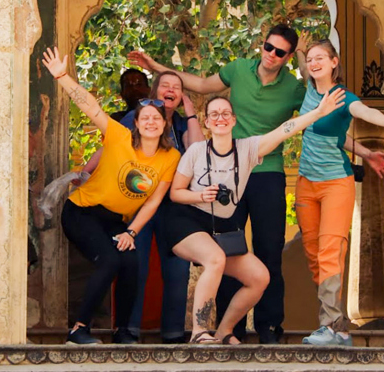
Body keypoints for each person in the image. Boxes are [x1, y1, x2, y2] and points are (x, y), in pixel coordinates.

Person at [128, 25, 384, 344]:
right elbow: (198, 83)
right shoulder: (239, 69)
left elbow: (322, 124)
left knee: (269, 251)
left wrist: (365, 153)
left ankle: (269, 327)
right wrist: (157, 67)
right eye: (268, 47)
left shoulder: (295, 90)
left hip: (268, 172)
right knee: (225, 248)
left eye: (280, 52)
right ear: (262, 44)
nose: (271, 54)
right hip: (229, 172)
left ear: (289, 56)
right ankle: (229, 330)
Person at [165, 90, 346, 344]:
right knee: (215, 258)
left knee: (259, 277)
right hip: (186, 221)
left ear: (234, 120)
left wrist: (318, 112)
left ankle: (223, 332)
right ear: (206, 122)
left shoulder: (247, 149)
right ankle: (199, 332)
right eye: (214, 114)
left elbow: (285, 129)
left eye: (225, 113)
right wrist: (201, 196)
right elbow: (175, 193)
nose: (220, 118)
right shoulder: (195, 152)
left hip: (220, 226)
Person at [41, 46, 181, 345]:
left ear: (164, 123)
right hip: (83, 212)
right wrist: (63, 77)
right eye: (144, 118)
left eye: (156, 118)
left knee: (131, 262)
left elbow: (154, 201)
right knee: (109, 261)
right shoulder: (119, 137)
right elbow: (91, 108)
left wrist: (131, 231)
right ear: (136, 123)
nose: (151, 122)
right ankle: (79, 329)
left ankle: (123, 333)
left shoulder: (170, 157)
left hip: (117, 221)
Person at [295, 40, 384, 346]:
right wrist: (301, 51)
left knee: (329, 251)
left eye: (320, 58)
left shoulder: (343, 98)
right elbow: (334, 137)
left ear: (334, 62)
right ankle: (337, 328)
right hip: (305, 184)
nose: (314, 63)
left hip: (336, 182)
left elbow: (364, 112)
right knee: (314, 256)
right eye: (311, 60)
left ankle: (327, 325)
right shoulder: (311, 92)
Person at [82, 71, 203, 343]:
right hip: (140, 202)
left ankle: (173, 333)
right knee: (135, 264)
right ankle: (127, 330)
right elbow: (113, 145)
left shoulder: (183, 123)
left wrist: (191, 111)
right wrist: (85, 172)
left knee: (177, 268)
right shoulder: (138, 117)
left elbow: (197, 152)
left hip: (175, 206)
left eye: (177, 87)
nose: (171, 90)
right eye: (165, 85)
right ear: (154, 92)